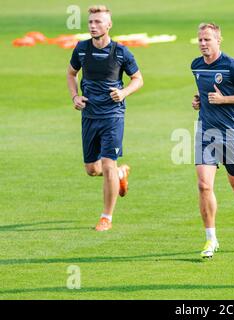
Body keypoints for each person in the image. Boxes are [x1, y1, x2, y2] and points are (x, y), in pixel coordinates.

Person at [66, 5, 143, 231]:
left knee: (108, 164)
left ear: (108, 25)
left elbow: (138, 79)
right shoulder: (81, 49)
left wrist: (124, 92)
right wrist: (74, 97)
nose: (92, 26)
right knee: (92, 169)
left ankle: (106, 217)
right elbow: (71, 73)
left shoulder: (121, 52)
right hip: (89, 115)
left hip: (112, 115)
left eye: (98, 22)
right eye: (90, 22)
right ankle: (120, 174)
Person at [191, 23, 234, 258]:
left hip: (233, 133)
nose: (202, 43)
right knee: (204, 185)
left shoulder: (232, 65)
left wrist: (224, 100)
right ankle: (211, 240)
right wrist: (199, 101)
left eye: (207, 39)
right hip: (206, 132)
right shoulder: (196, 66)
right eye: (200, 39)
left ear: (219, 40)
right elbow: (205, 92)